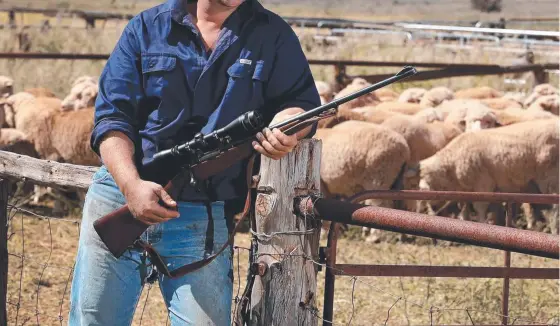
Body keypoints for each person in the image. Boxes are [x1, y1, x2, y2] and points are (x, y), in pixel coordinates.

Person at [68, 0, 321, 325]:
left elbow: (301, 104)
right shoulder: (146, 28)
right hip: (121, 196)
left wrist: (288, 124)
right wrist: (130, 185)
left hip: (202, 217)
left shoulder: (272, 34)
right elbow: (112, 118)